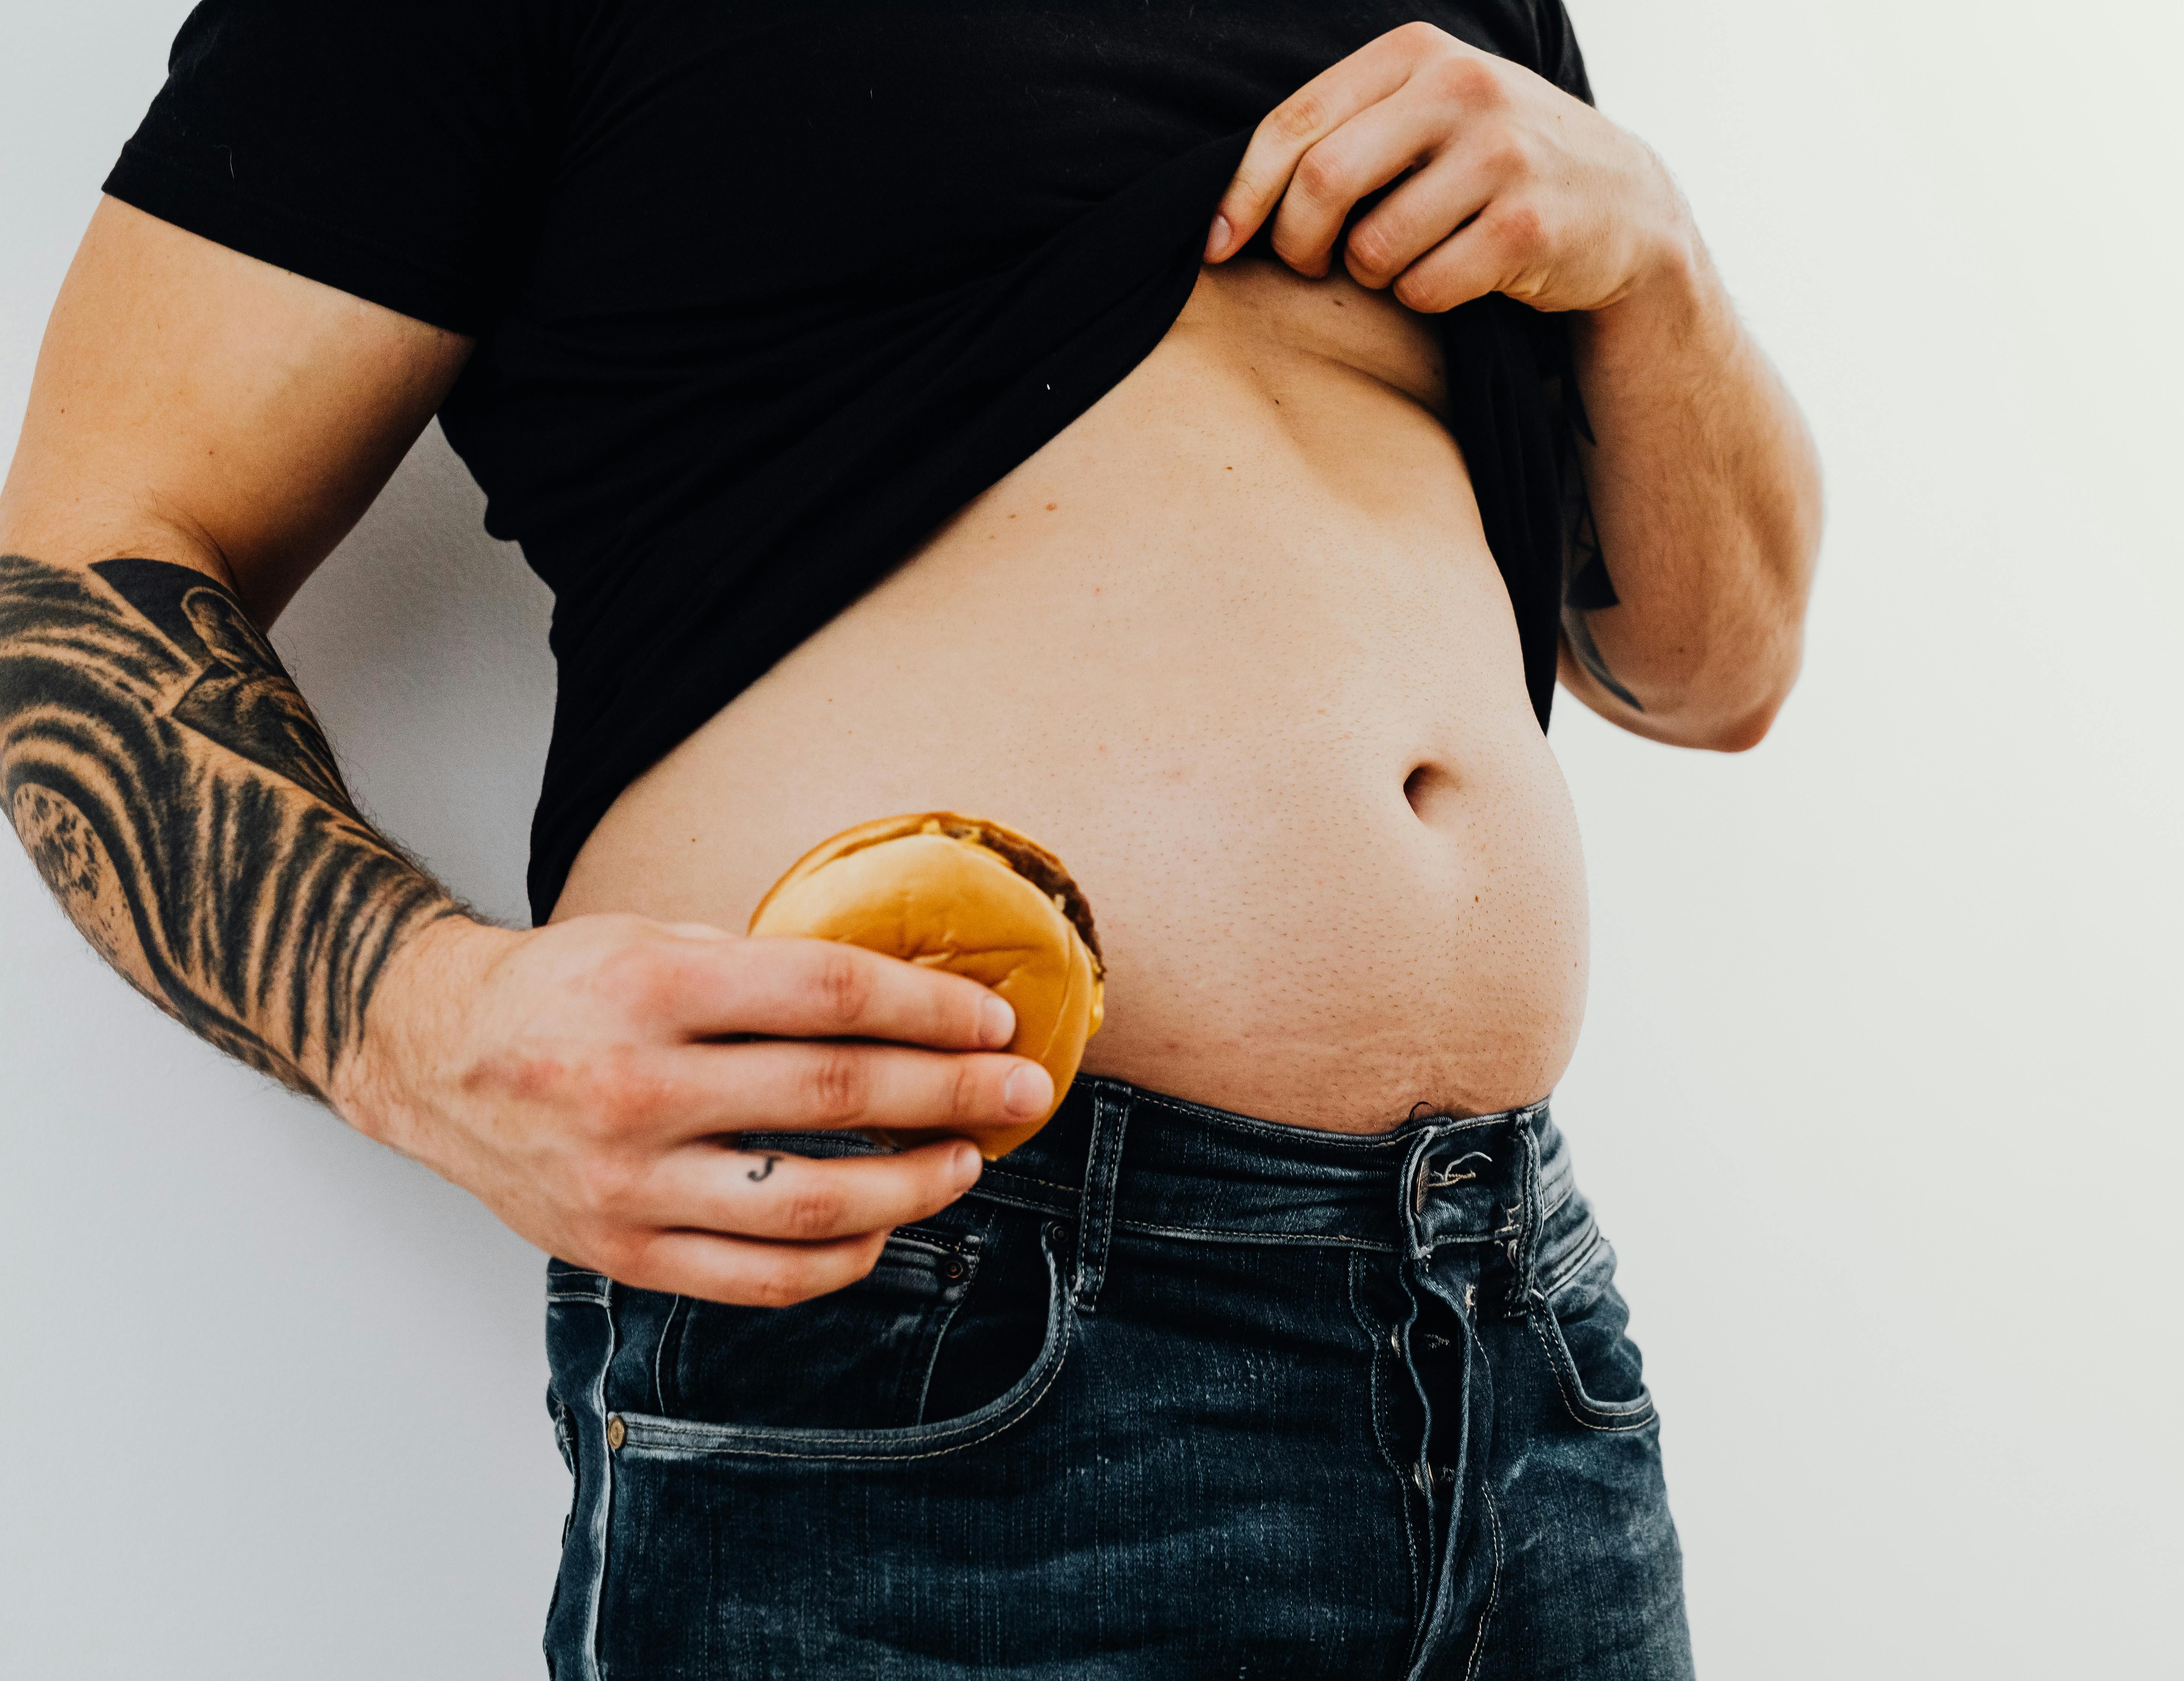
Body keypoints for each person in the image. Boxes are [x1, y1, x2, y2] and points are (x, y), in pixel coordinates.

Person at [0, 0, 1819, 1674]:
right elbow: (78, 562)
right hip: (936, 1328)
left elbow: (1711, 669)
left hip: (1512, 1333)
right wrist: (411, 1019)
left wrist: (1652, 261)